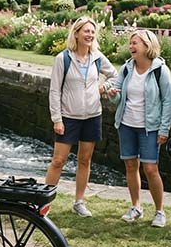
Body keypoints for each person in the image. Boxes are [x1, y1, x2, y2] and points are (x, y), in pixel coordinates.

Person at [47, 16, 118, 217]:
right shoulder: (63, 59)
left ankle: (79, 202)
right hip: (68, 117)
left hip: (92, 116)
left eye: (92, 32)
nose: (90, 35)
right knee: (58, 161)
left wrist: (103, 87)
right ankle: (44, 202)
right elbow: (54, 91)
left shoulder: (97, 57)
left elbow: (116, 75)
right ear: (76, 33)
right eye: (86, 31)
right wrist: (57, 119)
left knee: (85, 160)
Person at [107, 30, 171, 227]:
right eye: (130, 43)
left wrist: (164, 129)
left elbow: (167, 102)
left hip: (150, 128)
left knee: (151, 168)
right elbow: (118, 96)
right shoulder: (126, 68)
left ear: (147, 46)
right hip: (126, 125)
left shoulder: (160, 70)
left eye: (135, 43)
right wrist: (112, 94)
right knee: (130, 166)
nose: (131, 47)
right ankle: (136, 207)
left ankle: (160, 211)